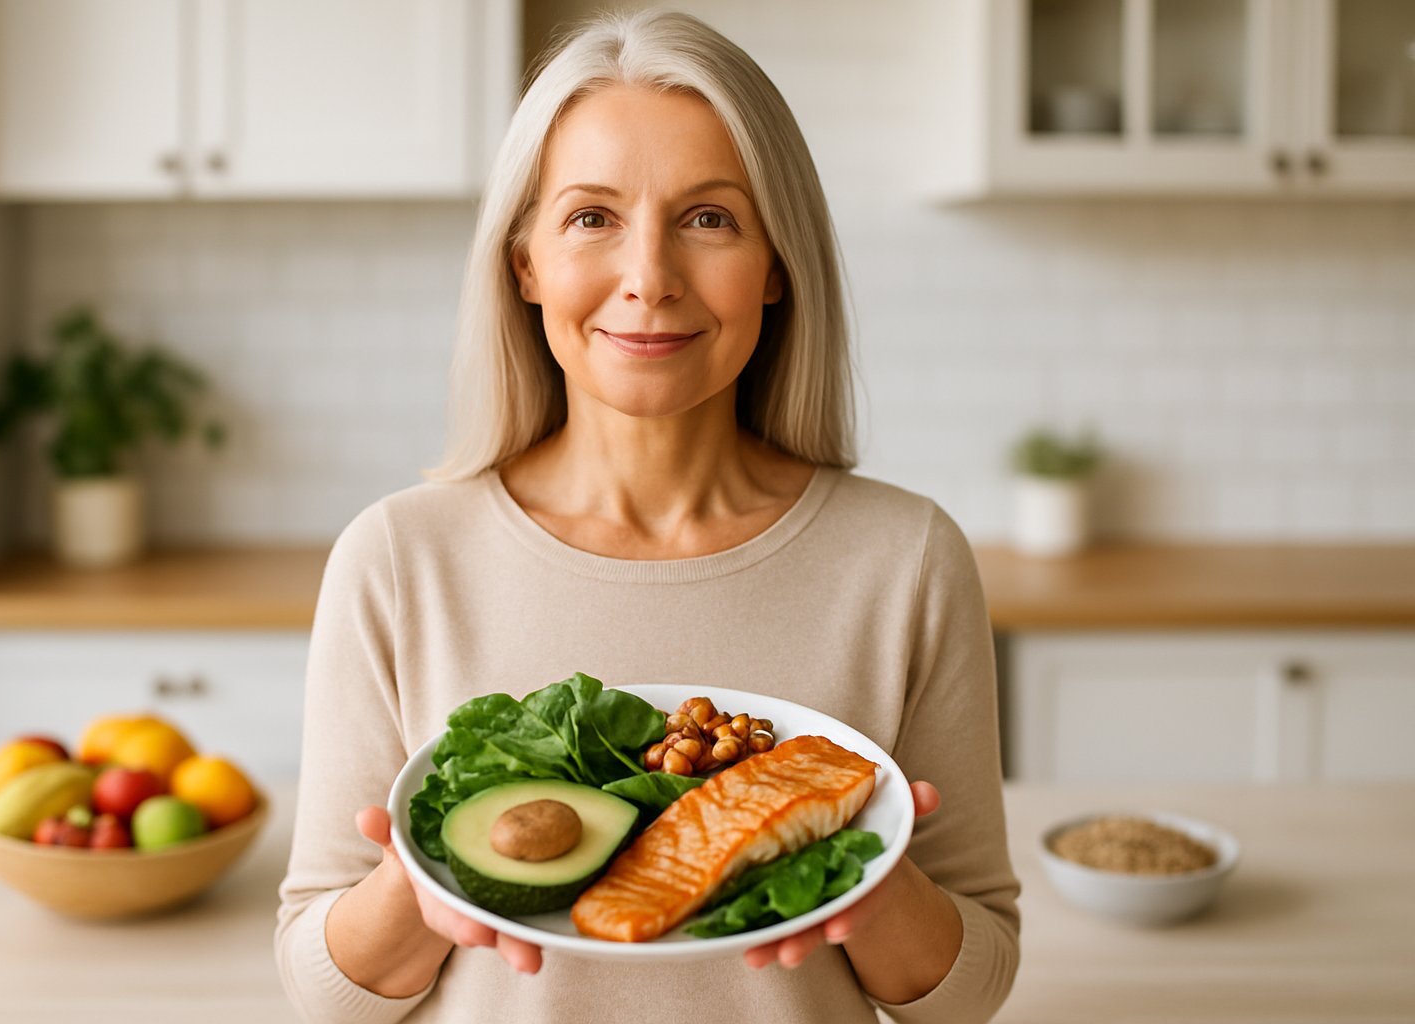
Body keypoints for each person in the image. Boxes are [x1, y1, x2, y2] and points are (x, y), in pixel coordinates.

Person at [275, 10, 1019, 1024]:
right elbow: (323, 993)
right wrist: (428, 882)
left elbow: (971, 991)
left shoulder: (906, 559)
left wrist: (868, 886)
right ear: (524, 262)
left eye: (710, 218)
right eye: (591, 217)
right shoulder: (401, 559)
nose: (650, 277)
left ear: (777, 264)